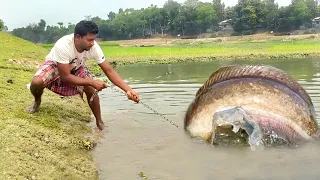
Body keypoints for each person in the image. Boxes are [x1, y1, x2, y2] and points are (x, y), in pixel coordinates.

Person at [26, 20, 140, 130]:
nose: (92, 43)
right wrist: (92, 81)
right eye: (89, 40)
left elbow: (109, 71)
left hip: (77, 65)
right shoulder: (63, 45)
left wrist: (128, 90)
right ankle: (37, 100)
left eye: (94, 39)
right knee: (36, 82)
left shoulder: (94, 47)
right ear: (77, 37)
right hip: (57, 65)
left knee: (90, 88)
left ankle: (99, 121)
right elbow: (65, 76)